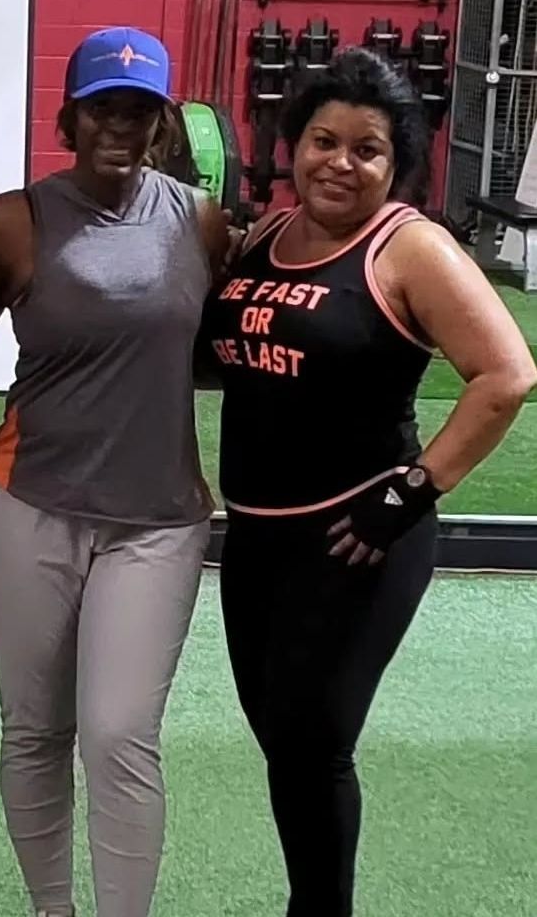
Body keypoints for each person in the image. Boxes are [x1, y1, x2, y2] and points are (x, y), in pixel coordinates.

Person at [199, 47, 537, 917]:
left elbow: (505, 375)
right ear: (291, 143)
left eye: (366, 149)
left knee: (313, 742)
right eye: (322, 140)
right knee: (281, 736)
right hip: (258, 531)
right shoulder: (267, 236)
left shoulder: (410, 247)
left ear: (398, 165)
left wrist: (411, 492)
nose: (338, 163)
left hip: (358, 534)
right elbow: (227, 357)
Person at [0, 26, 232, 917]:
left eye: (139, 111)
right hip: (29, 503)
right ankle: (50, 910)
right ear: (70, 115)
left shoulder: (198, 221)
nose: (121, 126)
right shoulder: (16, 221)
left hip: (158, 514)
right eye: (105, 106)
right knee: (35, 729)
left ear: (161, 122)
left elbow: (251, 338)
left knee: (118, 733)